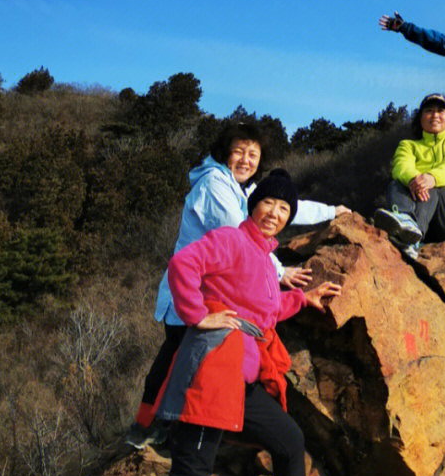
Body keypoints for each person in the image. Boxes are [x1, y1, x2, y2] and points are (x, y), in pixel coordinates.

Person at [144, 169, 342, 476]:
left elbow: (265, 308)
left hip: (241, 379)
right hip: (213, 371)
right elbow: (182, 266)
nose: (275, 213)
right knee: (190, 472)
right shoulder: (233, 240)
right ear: (255, 204)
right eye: (270, 203)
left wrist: (303, 299)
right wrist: (198, 315)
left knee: (289, 439)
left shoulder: (261, 254)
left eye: (285, 209)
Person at [128, 118, 347, 446]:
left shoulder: (239, 188)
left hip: (211, 293)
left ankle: (160, 427)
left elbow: (284, 207)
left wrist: (332, 211)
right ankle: (149, 427)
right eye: (239, 152)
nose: (246, 160)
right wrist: (279, 271)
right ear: (224, 153)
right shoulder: (215, 184)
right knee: (174, 359)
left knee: (181, 360)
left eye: (253, 155)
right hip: (190, 294)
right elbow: (244, 233)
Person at [372, 93, 445, 258]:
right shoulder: (408, 145)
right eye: (429, 110)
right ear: (420, 118)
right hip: (423, 213)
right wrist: (414, 179)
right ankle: (406, 224)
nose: (435, 115)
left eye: (441, 111)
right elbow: (401, 166)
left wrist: (431, 178)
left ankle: (412, 235)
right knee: (396, 184)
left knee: (433, 190)